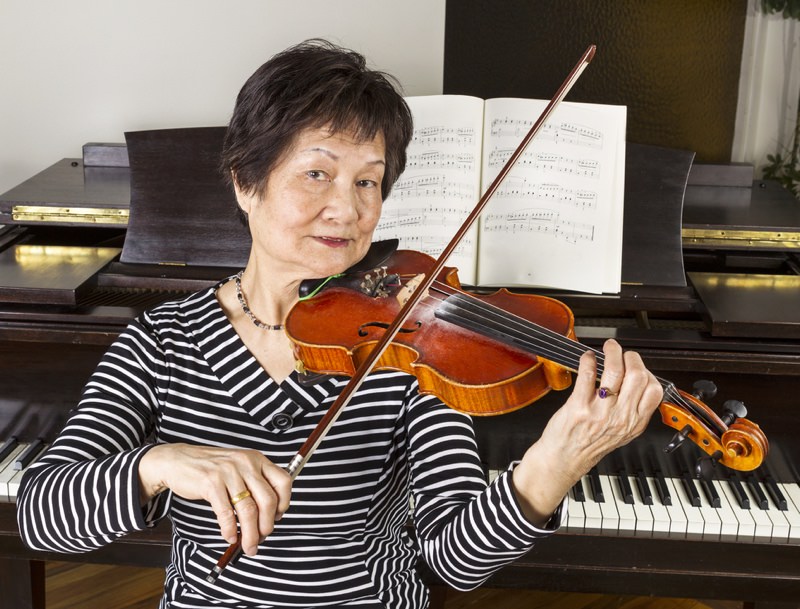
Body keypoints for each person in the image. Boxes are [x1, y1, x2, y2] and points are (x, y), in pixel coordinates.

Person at [17, 39, 663, 608]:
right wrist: (158, 462)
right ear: (247, 181)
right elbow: (43, 514)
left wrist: (553, 462)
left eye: (368, 182)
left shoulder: (407, 337)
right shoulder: (163, 342)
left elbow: (453, 558)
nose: (346, 209)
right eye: (318, 173)